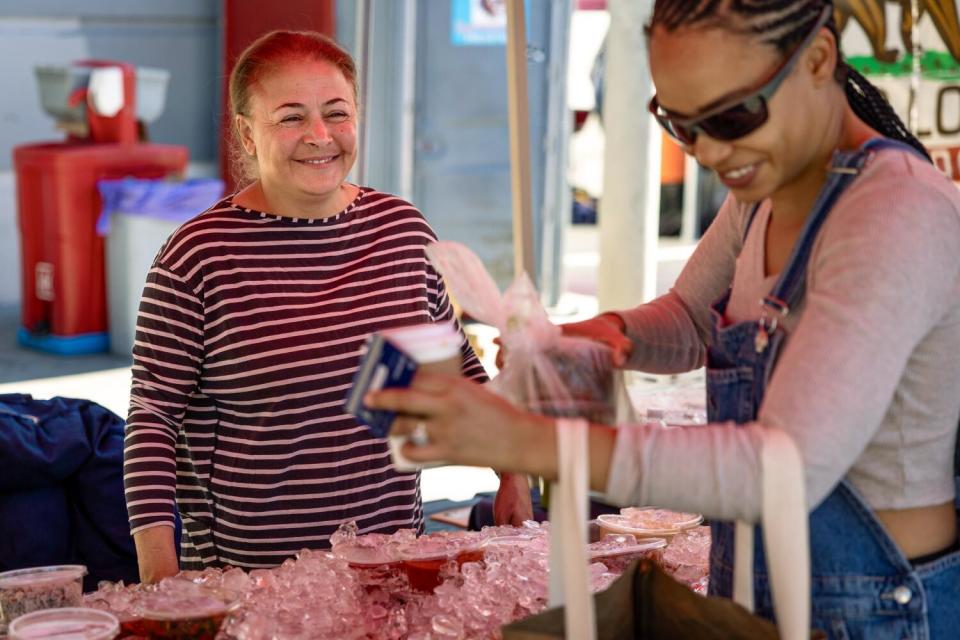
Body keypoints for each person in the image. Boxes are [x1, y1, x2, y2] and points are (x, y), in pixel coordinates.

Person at [368, 1, 960, 636]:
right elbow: (689, 319)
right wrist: (599, 337)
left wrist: (530, 443)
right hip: (760, 584)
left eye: (734, 115)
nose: (710, 151)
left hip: (878, 603)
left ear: (818, 59)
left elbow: (783, 466)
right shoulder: (764, 192)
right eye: (681, 124)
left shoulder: (894, 209)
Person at [123, 30, 530, 583]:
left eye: (336, 113)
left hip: (394, 570)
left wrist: (512, 473)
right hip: (252, 585)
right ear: (247, 133)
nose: (319, 135)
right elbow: (153, 420)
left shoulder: (403, 232)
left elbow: (458, 369)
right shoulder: (199, 257)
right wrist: (160, 576)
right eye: (290, 117)